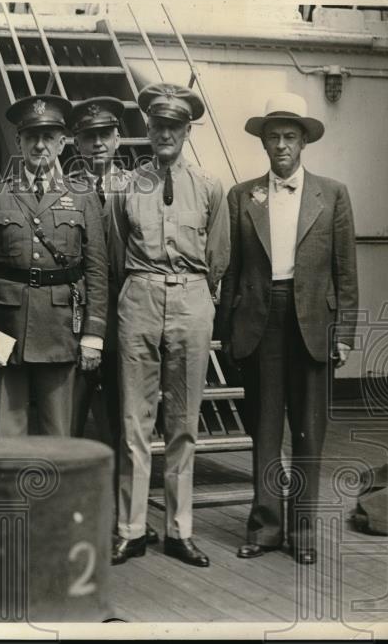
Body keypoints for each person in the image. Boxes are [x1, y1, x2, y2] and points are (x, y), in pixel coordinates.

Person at [216, 93, 358, 565]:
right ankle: (265, 528)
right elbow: (231, 271)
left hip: (314, 321)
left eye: (290, 137)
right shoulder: (242, 196)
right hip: (259, 321)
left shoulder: (332, 194)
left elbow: (345, 270)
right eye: (273, 137)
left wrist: (343, 333)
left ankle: (303, 533)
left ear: (303, 143)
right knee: (264, 427)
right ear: (263, 143)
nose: (281, 145)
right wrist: (228, 331)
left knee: (309, 433)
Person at [110, 83, 229, 568]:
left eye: (174, 126)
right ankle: (131, 529)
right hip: (139, 294)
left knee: (183, 422)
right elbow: (118, 249)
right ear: (147, 128)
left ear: (186, 131)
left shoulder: (209, 186)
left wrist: (196, 295)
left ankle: (179, 531)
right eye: (157, 125)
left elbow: (218, 255)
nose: (165, 134)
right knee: (133, 421)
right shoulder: (126, 187)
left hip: (191, 298)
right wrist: (141, 289)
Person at [0, 94, 108, 437]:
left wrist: (93, 335)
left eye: (48, 137)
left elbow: (97, 272)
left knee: (58, 431)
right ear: (19, 141)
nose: (39, 146)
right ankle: (8, 493)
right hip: (6, 327)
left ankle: (52, 493)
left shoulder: (84, 197)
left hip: (61, 329)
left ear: (62, 143)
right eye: (31, 137)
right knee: (4, 432)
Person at [66, 95, 160, 546]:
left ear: (119, 138)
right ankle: (78, 515)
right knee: (72, 418)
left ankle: (129, 518)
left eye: (105, 134)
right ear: (77, 143)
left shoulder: (139, 186)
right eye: (89, 136)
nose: (98, 143)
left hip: (128, 314)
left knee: (125, 421)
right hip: (79, 319)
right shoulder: (65, 187)